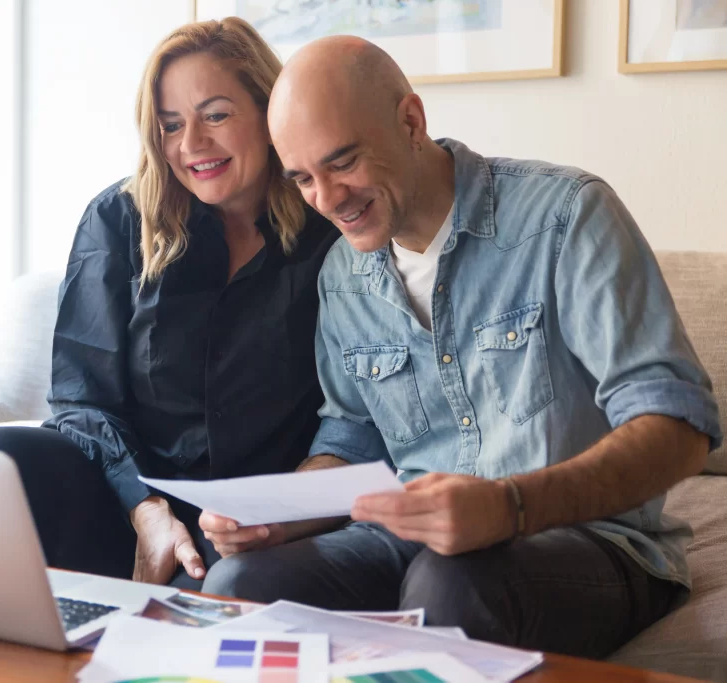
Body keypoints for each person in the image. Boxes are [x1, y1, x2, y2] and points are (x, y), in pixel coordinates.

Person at [199, 36, 722, 658]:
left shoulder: (566, 217)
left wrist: (511, 507)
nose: (328, 200)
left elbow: (680, 426)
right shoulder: (342, 274)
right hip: (415, 542)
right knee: (239, 584)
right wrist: (279, 514)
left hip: (592, 542)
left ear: (411, 122)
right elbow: (352, 437)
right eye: (303, 179)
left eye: (343, 163)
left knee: (449, 584)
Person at [0, 18, 337, 590]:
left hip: (251, 519)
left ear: (269, 113)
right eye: (170, 125)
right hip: (131, 499)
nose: (191, 145)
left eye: (215, 115)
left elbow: (352, 411)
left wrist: (278, 512)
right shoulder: (117, 219)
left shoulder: (330, 229)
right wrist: (145, 508)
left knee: (215, 590)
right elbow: (82, 398)